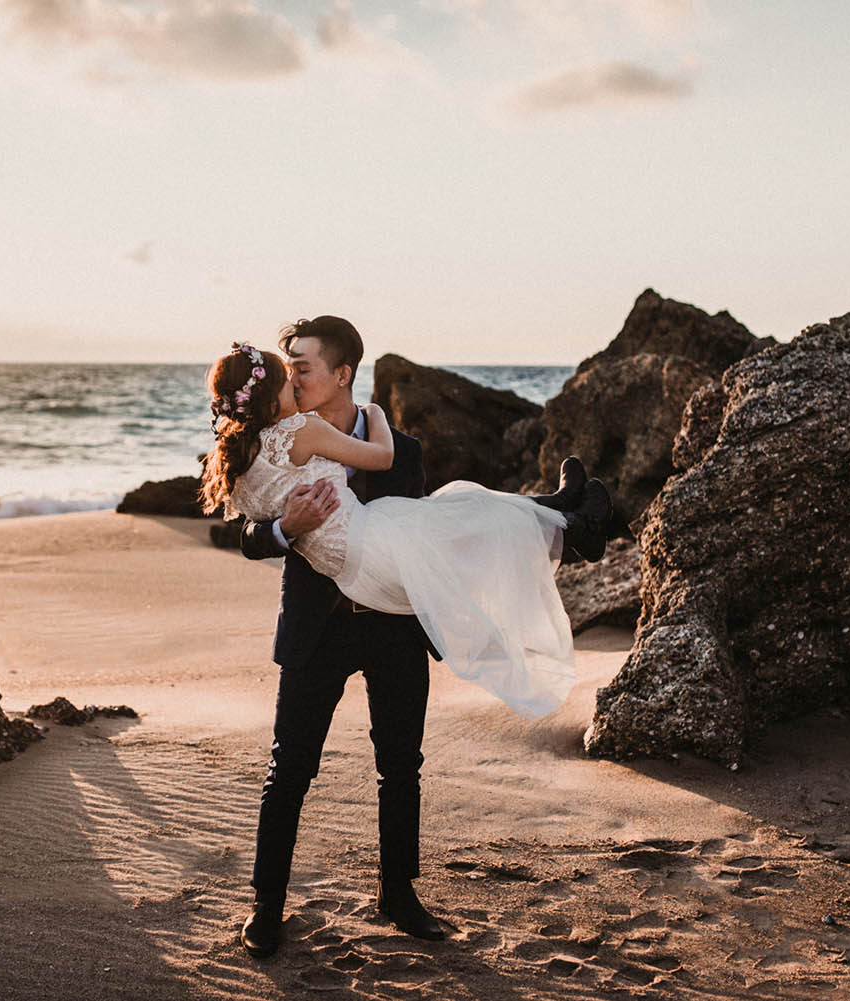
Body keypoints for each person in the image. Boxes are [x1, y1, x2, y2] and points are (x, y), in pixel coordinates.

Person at [200, 318, 611, 959]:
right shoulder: (272, 439)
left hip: (392, 623)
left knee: (401, 766)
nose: (293, 376)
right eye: (286, 368)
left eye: (303, 367)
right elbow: (247, 532)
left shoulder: (403, 448)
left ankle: (399, 895)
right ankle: (265, 909)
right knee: (290, 770)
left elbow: (425, 536)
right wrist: (286, 526)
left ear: (342, 374)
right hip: (319, 628)